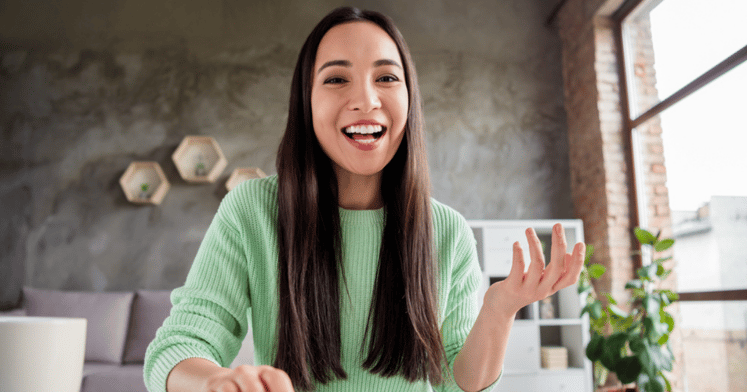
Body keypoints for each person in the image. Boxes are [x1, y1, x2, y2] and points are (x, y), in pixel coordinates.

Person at [143, 6, 586, 392]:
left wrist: (500, 307)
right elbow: (180, 344)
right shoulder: (253, 211)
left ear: (408, 100)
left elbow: (459, 383)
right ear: (306, 102)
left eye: (386, 77)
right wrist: (216, 380)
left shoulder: (446, 230)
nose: (366, 100)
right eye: (337, 79)